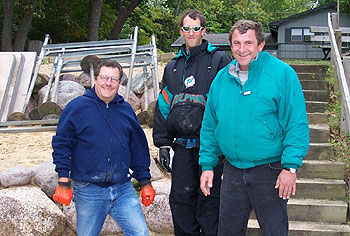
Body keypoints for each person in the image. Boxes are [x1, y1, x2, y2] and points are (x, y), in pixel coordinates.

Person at [199, 20, 310, 236]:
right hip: (232, 171)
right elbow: (210, 125)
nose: (242, 49)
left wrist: (290, 167)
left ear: (260, 45)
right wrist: (207, 165)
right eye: (236, 43)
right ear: (230, 46)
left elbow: (296, 123)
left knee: (274, 231)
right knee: (228, 231)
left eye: (248, 43)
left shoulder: (282, 75)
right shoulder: (221, 79)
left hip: (269, 171)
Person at [52, 59, 155, 236]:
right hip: (88, 189)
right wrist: (63, 179)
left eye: (114, 79)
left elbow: (138, 147)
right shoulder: (76, 108)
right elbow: (62, 144)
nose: (109, 83)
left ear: (119, 82)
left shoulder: (126, 110)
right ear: (95, 79)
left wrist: (145, 181)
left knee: (140, 233)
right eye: (104, 77)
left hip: (123, 188)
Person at [153, 9, 232, 236]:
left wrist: (225, 143)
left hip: (210, 146)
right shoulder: (172, 66)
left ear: (203, 31)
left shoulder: (220, 60)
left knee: (210, 199)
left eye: (195, 28)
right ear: (181, 31)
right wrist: (163, 144)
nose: (191, 32)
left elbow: (227, 104)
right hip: (182, 146)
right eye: (186, 28)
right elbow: (163, 106)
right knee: (180, 198)